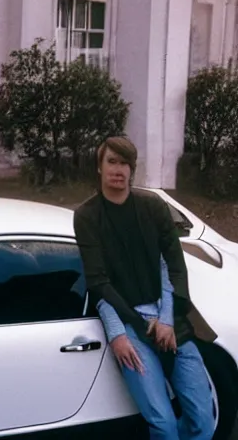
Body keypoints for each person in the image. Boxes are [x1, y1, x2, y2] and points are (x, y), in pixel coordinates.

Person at [73, 136, 218, 440]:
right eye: (111, 161)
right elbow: (99, 283)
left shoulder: (152, 207)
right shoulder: (87, 216)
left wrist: (166, 319)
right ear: (99, 167)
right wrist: (119, 333)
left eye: (125, 162)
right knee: (163, 425)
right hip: (129, 323)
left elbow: (173, 265)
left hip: (170, 320)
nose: (118, 169)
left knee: (204, 420)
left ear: (132, 169)